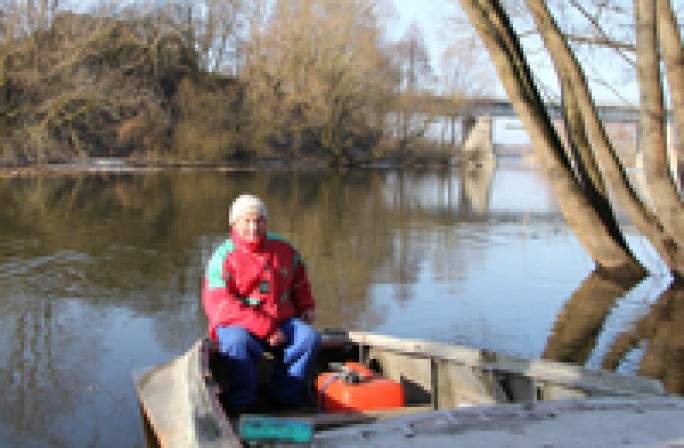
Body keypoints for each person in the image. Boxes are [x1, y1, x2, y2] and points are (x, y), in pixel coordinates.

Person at [202, 193, 321, 414]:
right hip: (238, 326)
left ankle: (283, 398)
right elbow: (220, 308)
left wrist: (306, 305)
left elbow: (299, 279)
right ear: (234, 224)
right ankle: (242, 402)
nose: (254, 227)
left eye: (259, 220)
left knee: (309, 338)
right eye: (247, 221)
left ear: (266, 222)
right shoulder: (222, 257)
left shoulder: (284, 248)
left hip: (281, 321)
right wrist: (266, 329)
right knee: (236, 343)